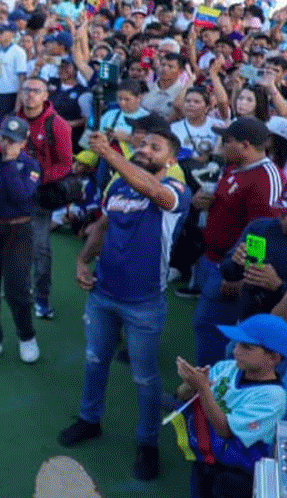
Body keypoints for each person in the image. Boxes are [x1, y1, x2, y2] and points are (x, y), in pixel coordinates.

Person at [60, 123, 192, 482]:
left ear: (171, 159)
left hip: (144, 303)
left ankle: (147, 443)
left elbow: (151, 190)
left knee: (145, 377)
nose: (146, 149)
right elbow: (103, 225)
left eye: (156, 147)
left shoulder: (176, 189)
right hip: (103, 294)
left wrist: (108, 154)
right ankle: (90, 420)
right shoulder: (118, 184)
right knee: (94, 361)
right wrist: (82, 260)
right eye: (143, 144)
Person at [193, 117, 285, 366]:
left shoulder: (266, 178)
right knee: (206, 327)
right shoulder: (233, 166)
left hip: (231, 273)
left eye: (227, 141)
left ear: (245, 145)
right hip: (212, 260)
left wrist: (240, 279)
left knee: (217, 333)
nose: (221, 145)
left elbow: (266, 235)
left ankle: (208, 393)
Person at [175, 314, 287, 498]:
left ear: (274, 358)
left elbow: (225, 430)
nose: (236, 351)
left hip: (236, 474)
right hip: (205, 457)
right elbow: (181, 395)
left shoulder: (274, 397)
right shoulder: (227, 367)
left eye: (247, 347)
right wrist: (191, 383)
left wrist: (202, 388)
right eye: (236, 343)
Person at [0, 116, 42, 363]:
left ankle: (26, 336)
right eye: (4, 138)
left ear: (23, 142)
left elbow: (22, 196)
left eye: (13, 141)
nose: (7, 144)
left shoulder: (30, 166)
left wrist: (11, 163)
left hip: (19, 232)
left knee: (16, 288)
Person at [15, 76, 74, 320]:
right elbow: (0, 151)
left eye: (36, 91)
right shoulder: (12, 121)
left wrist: (37, 179)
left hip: (40, 194)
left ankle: (41, 297)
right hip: (14, 195)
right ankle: (17, 286)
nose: (30, 95)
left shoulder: (57, 125)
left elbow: (65, 165)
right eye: (27, 90)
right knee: (12, 243)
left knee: (39, 248)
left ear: (45, 96)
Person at [0, 25, 27, 148]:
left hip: (10, 96)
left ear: (11, 34)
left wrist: (17, 105)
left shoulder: (18, 52)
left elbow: (22, 80)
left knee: (4, 129)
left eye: (3, 32)